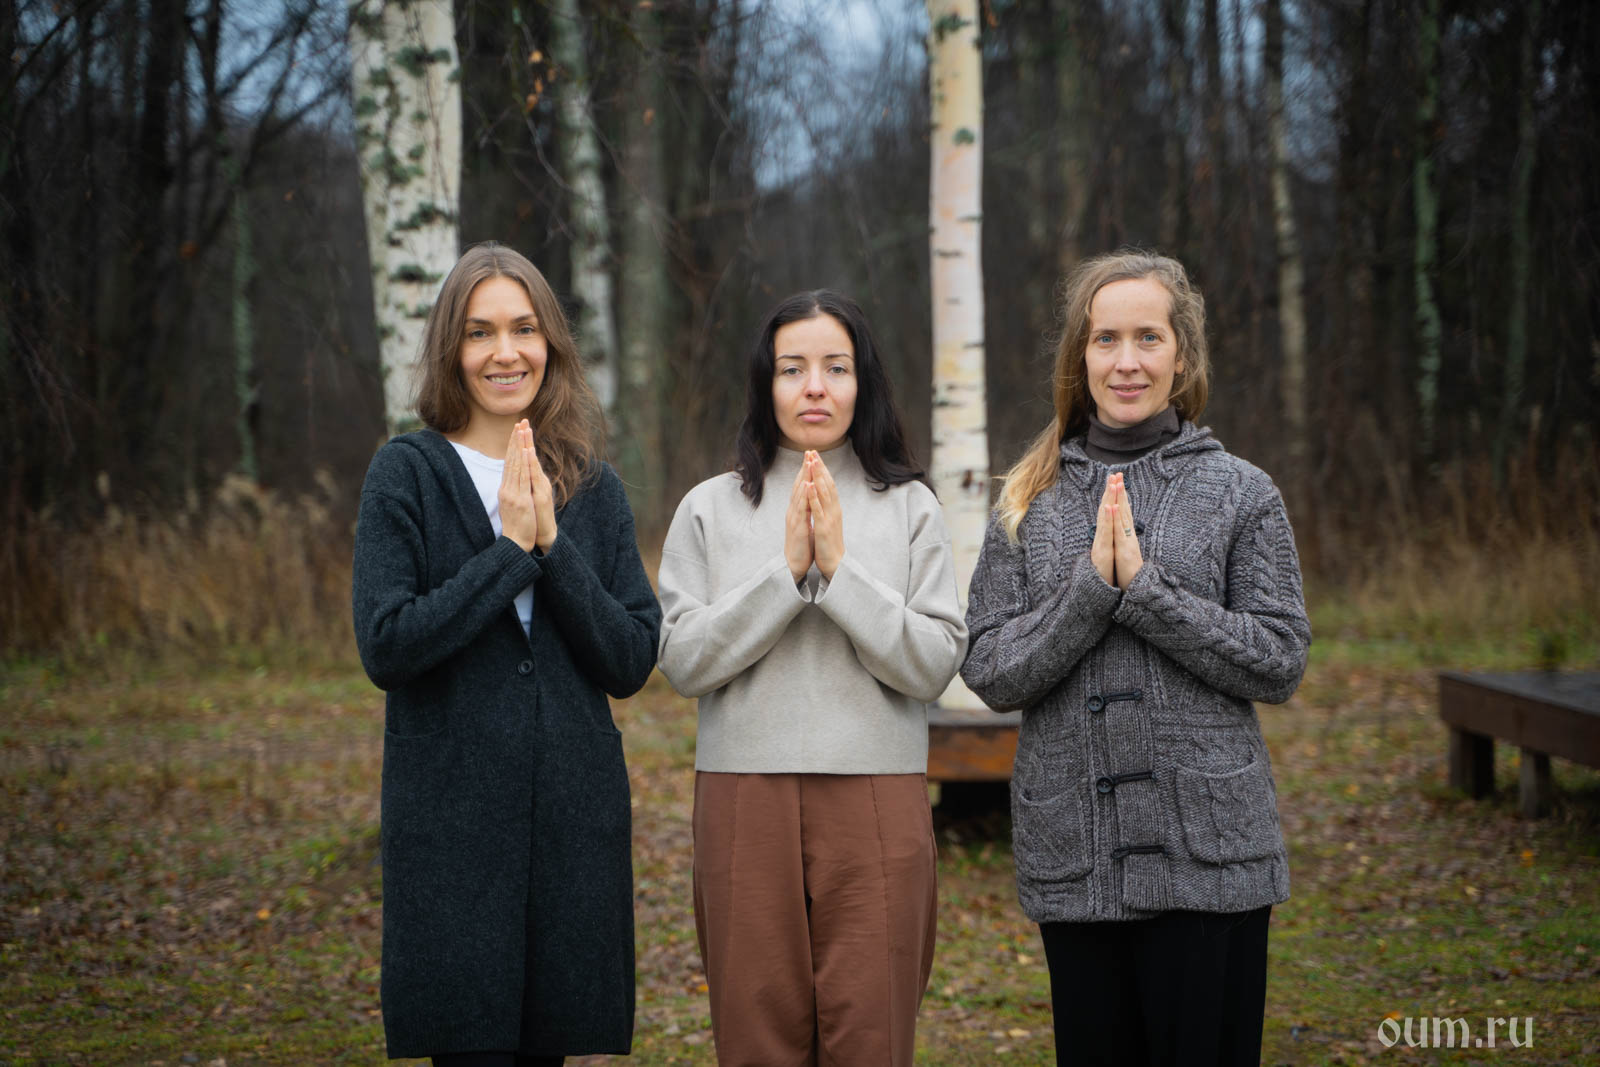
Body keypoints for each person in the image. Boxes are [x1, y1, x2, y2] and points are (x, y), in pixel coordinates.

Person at [960, 249, 1311, 1066]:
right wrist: (1091, 590)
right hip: (1077, 856)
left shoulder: (1242, 491)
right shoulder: (1029, 497)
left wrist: (1147, 592)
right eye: (1106, 339)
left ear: (1181, 354)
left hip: (1211, 859)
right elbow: (989, 667)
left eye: (1148, 337)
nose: (1127, 361)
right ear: (1079, 357)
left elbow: (1279, 657)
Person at [352, 242, 661, 1066]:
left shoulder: (593, 485)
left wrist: (552, 548)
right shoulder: (405, 474)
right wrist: (510, 553)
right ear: (451, 348)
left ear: (550, 341)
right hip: (451, 820)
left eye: (524, 328)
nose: (505, 352)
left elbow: (632, 656)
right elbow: (386, 642)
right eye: (480, 331)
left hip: (572, 818)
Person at [656, 289, 968, 1066]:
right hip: (742, 794)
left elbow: (934, 662)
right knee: (755, 1034)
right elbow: (683, 660)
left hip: (877, 793)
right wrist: (787, 573)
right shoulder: (709, 507)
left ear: (865, 382)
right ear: (766, 383)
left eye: (836, 367)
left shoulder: (911, 507)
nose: (815, 387)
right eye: (792, 368)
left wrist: (840, 572)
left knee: (872, 1034)